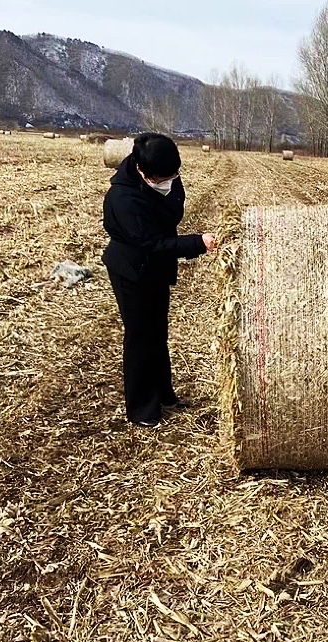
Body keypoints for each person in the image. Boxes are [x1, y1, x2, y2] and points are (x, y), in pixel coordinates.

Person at [102, 132, 215, 428]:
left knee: (158, 334)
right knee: (140, 338)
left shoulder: (166, 174)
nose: (171, 180)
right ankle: (141, 410)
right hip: (131, 269)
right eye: (162, 177)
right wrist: (198, 242)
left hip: (155, 267)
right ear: (142, 171)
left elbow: (172, 207)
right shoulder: (123, 198)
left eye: (173, 174)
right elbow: (152, 242)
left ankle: (164, 395)